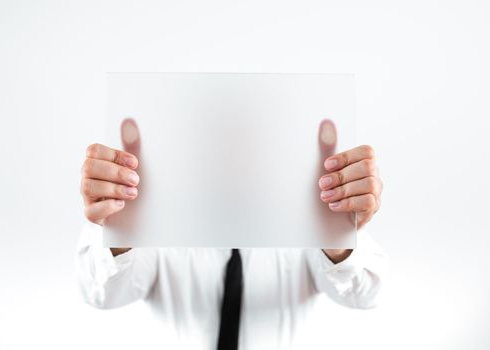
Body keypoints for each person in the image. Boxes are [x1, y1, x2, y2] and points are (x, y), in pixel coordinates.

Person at [76, 119, 387, 349]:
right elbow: (103, 294)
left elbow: (364, 294)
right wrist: (123, 227)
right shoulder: (160, 227)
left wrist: (337, 236)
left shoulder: (306, 224)